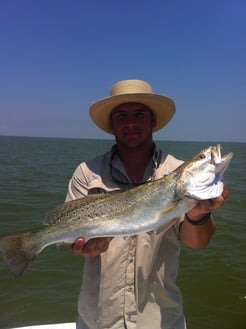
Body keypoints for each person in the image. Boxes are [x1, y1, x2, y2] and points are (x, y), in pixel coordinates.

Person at [65, 79, 228, 329]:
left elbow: (198, 243)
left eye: (140, 114)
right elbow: (70, 239)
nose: (131, 123)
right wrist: (80, 246)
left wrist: (198, 215)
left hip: (159, 319)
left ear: (153, 121)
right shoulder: (87, 173)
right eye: (121, 116)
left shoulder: (175, 172)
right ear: (112, 123)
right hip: (99, 319)